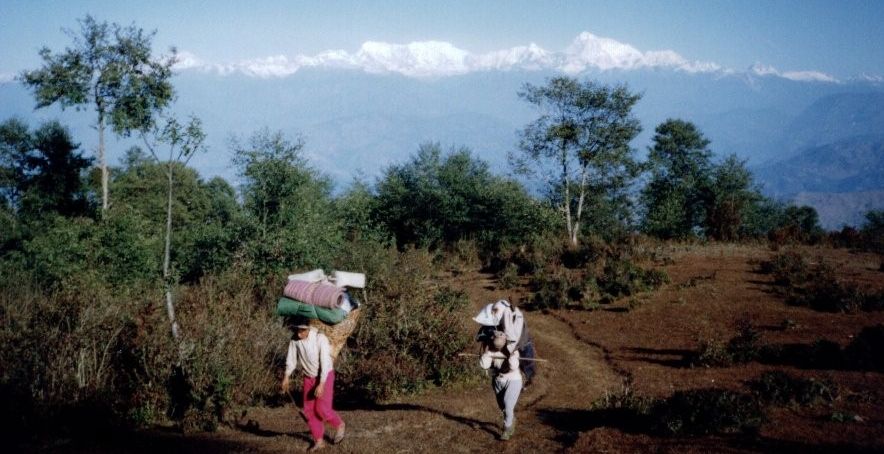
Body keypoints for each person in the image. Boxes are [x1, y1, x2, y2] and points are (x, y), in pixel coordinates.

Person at [282, 320, 346, 451]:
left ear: (309, 329)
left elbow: (325, 362)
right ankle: (319, 441)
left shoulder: (319, 338)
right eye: (298, 330)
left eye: (302, 330)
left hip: (325, 376)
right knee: (309, 411)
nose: (299, 333)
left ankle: (339, 424)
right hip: (308, 377)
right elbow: (291, 359)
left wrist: (321, 384)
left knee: (322, 409)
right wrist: (286, 377)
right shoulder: (295, 340)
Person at [480, 330, 522, 441]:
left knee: (508, 406)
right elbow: (484, 366)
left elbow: (513, 366)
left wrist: (512, 356)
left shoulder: (513, 350)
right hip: (498, 381)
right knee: (503, 408)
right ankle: (511, 420)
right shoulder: (490, 350)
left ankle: (506, 430)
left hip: (513, 380)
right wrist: (486, 353)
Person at [490, 299, 536, 386]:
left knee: (527, 361)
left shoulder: (512, 319)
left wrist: (511, 350)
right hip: (518, 342)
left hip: (523, 342)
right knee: (515, 361)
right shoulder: (508, 314)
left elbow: (513, 338)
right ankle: (520, 377)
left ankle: (529, 378)